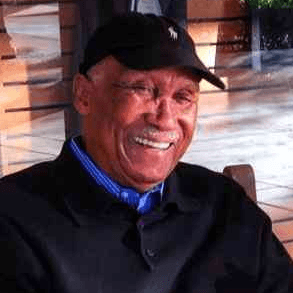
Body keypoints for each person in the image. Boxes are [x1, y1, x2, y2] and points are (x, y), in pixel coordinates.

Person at [0, 12, 292, 293]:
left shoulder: (225, 205)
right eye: (141, 89)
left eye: (183, 97)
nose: (165, 119)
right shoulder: (14, 219)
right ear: (84, 95)